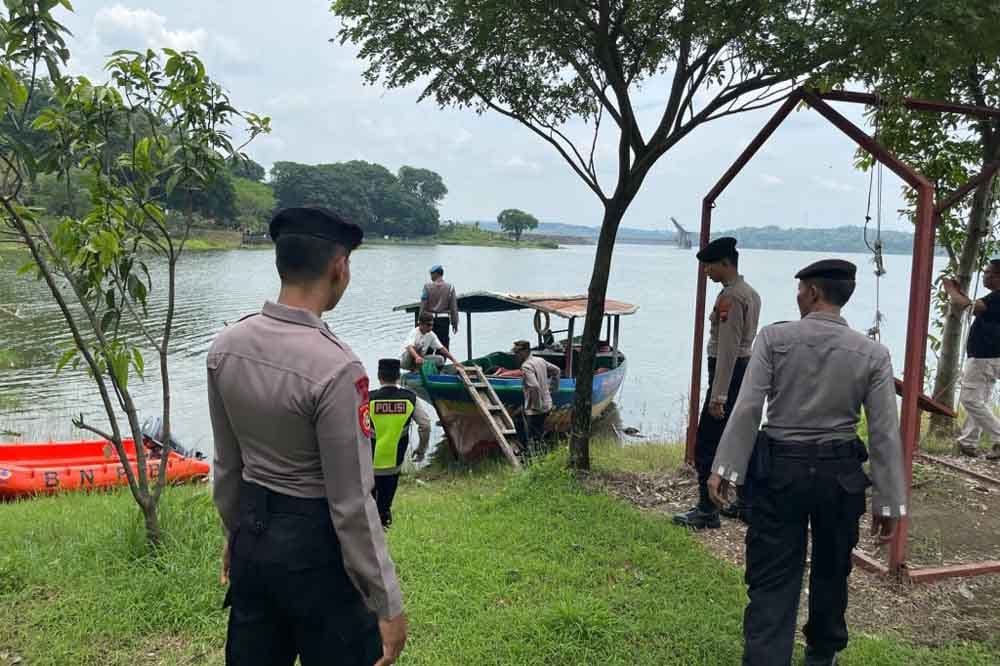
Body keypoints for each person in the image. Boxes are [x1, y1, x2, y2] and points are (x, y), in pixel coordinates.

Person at [207, 206, 407, 666]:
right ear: (340, 267)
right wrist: (387, 602)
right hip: (317, 557)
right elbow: (352, 503)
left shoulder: (225, 347)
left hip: (253, 541)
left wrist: (235, 538)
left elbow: (227, 467)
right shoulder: (337, 368)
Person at [708, 259, 906, 666]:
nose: (797, 297)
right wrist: (889, 501)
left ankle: (766, 657)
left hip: (780, 471)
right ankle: (821, 654)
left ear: (813, 292)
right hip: (840, 477)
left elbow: (747, 408)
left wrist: (725, 467)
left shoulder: (774, 339)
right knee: (833, 570)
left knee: (773, 573)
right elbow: (885, 433)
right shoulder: (873, 354)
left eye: (800, 290)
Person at [673, 237, 761, 529]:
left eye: (710, 265)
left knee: (707, 443)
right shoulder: (750, 292)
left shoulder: (731, 297)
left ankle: (706, 510)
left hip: (728, 372)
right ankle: (745, 504)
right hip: (743, 370)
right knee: (739, 436)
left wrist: (718, 395)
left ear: (726, 263)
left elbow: (728, 349)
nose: (707, 271)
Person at [943, 259, 1000, 460]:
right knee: (980, 399)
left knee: (969, 399)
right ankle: (968, 442)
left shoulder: (997, 297)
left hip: (984, 357)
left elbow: (973, 308)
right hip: (990, 356)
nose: (984, 275)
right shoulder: (993, 298)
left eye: (988, 273)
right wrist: (960, 294)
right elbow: (975, 305)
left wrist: (951, 291)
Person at [369, 358, 432, 528]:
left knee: (370, 500)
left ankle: (372, 525)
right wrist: (420, 450)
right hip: (394, 461)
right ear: (398, 376)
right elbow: (425, 425)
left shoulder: (368, 398)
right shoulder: (410, 398)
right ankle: (384, 519)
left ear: (379, 376)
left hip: (369, 462)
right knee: (386, 499)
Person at [511, 340, 560, 451]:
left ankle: (533, 456)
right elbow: (556, 370)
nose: (516, 355)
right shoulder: (540, 360)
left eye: (518, 352)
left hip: (537, 408)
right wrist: (553, 389)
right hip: (547, 403)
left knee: (534, 435)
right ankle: (526, 448)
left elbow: (534, 386)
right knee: (518, 417)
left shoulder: (526, 366)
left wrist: (536, 407)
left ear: (525, 351)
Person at [419, 264, 458, 349]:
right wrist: (455, 322)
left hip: (429, 320)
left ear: (436, 274)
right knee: (443, 345)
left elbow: (423, 305)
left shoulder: (427, 287)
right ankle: (442, 361)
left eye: (431, 274)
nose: (431, 276)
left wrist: (420, 320)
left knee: (429, 345)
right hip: (444, 321)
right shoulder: (450, 287)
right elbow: (453, 308)